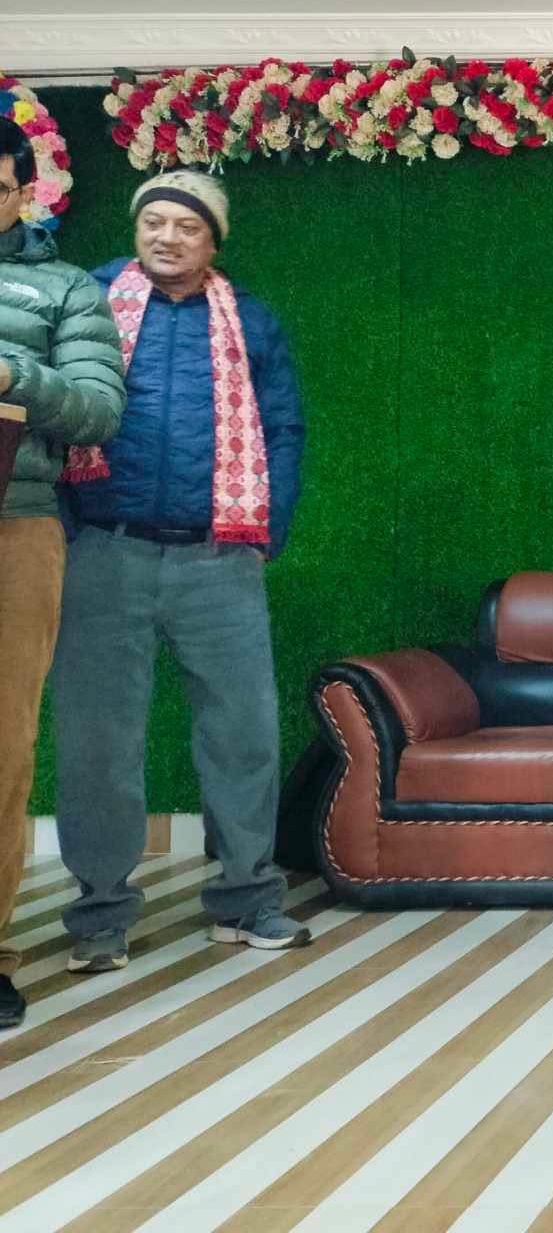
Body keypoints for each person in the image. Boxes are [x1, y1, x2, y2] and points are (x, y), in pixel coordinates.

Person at [52, 169, 310, 974]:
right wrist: (68, 532)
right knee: (97, 740)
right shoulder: (86, 303)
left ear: (213, 242)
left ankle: (247, 900)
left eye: (187, 226)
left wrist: (263, 535)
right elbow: (52, 418)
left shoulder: (251, 321)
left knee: (243, 733)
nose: (167, 237)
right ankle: (100, 915)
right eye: (154, 222)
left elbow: (284, 429)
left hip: (220, 556)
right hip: (105, 551)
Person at [0, 116, 125, 1028]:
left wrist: (13, 375)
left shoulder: (65, 288)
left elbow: (96, 410)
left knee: (3, 748)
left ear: (20, 192)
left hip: (16, 530)